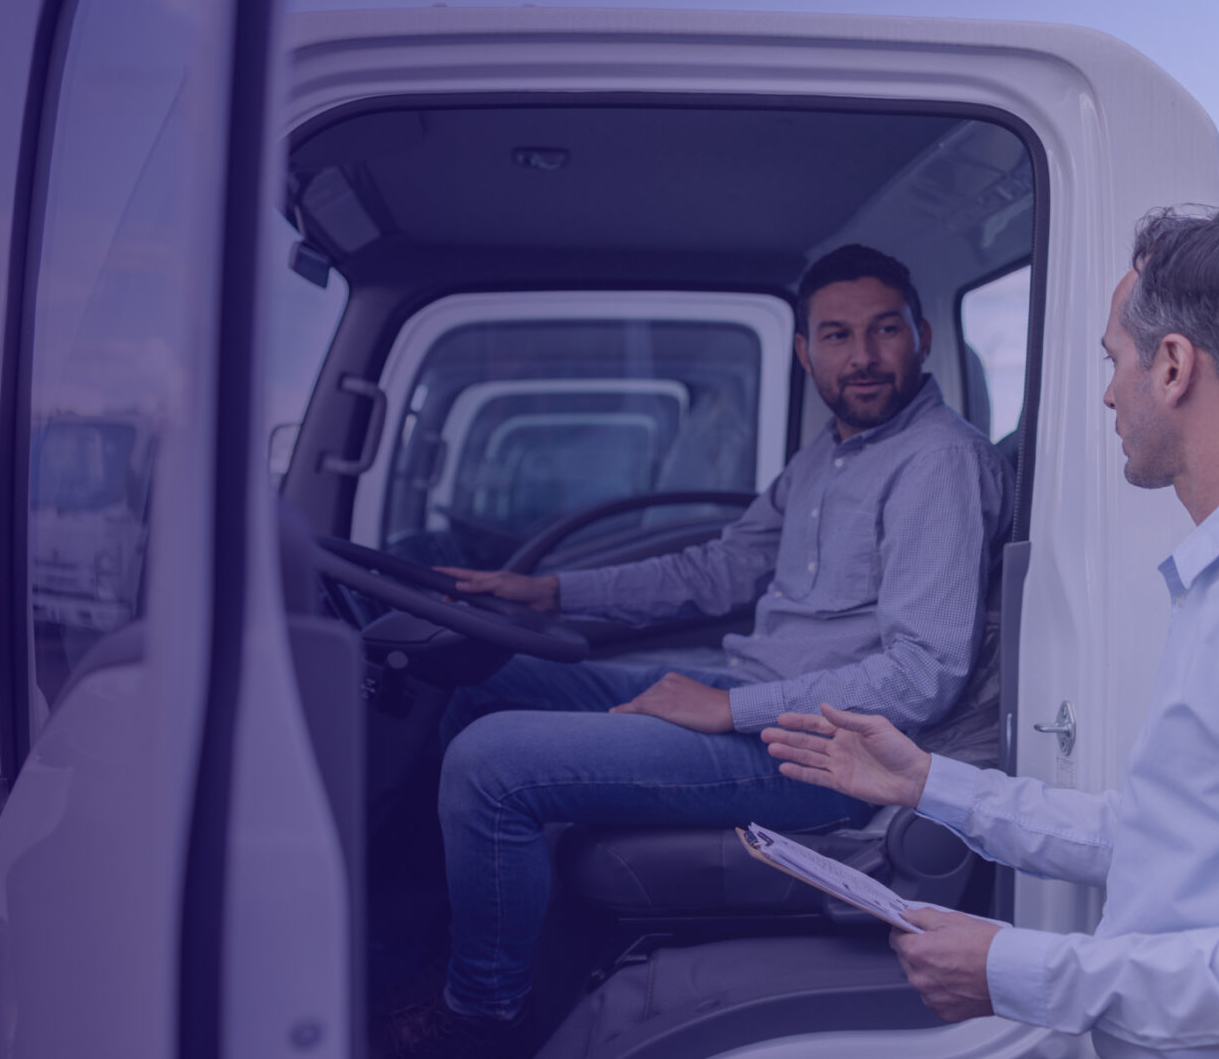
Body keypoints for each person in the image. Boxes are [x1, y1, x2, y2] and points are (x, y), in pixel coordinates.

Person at [765, 209, 1219, 1057]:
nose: (1110, 391)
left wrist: (1021, 967)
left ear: (1174, 366)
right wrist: (929, 783)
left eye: (1116, 359)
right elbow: (1156, 836)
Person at [384, 244, 1013, 1057]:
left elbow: (921, 673)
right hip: (758, 694)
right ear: (804, 352)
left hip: (819, 753)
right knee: (477, 678)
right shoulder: (834, 450)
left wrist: (727, 709)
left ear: (922, 335)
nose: (862, 356)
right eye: (836, 335)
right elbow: (721, 568)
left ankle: (482, 1019)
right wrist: (554, 593)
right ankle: (450, 940)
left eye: (884, 329)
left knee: (487, 761)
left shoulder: (938, 462)